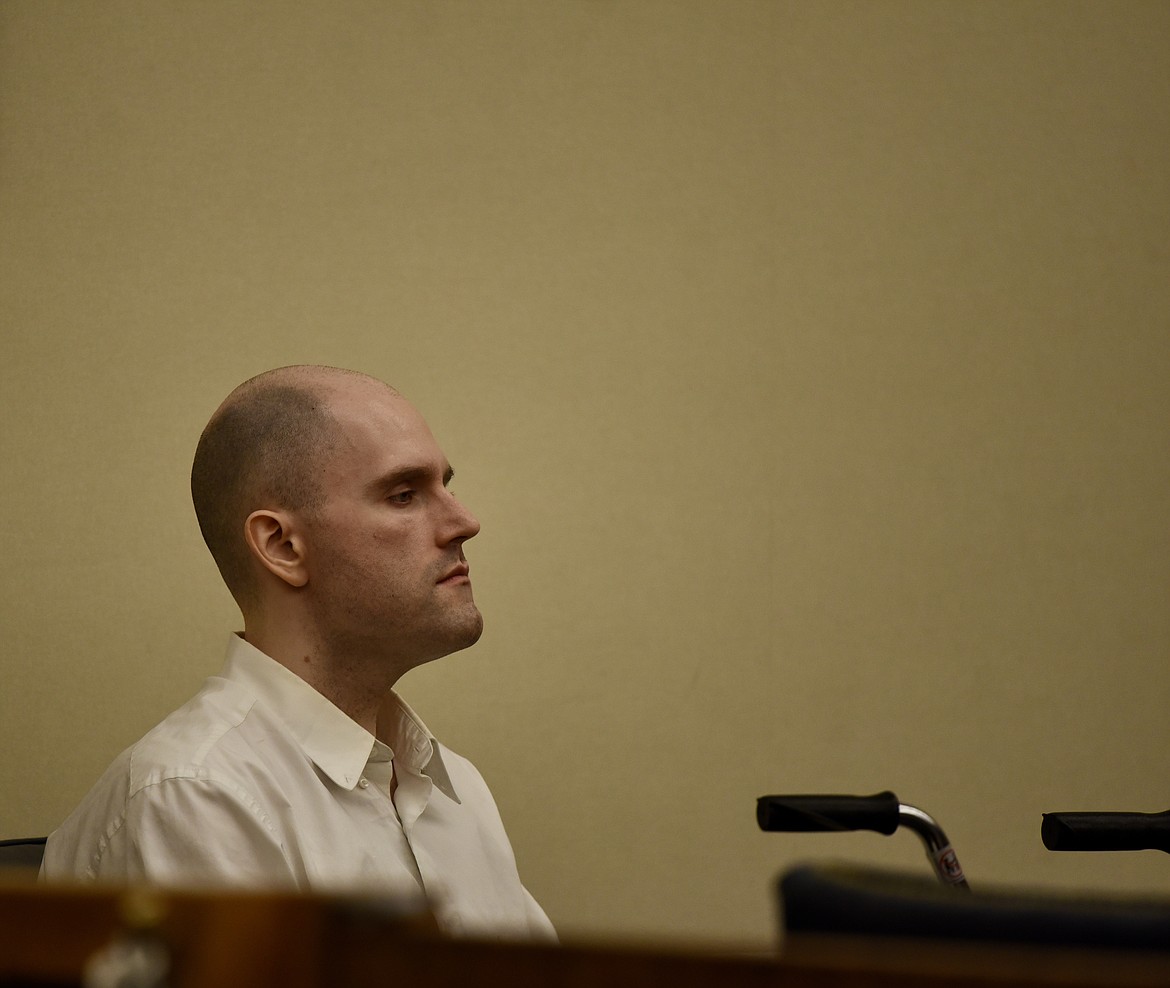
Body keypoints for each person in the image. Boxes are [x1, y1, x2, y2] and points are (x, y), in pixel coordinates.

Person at [42, 365, 555, 941]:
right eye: (404, 494)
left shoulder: (453, 786)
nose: (465, 521)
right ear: (283, 545)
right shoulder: (195, 794)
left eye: (447, 486)